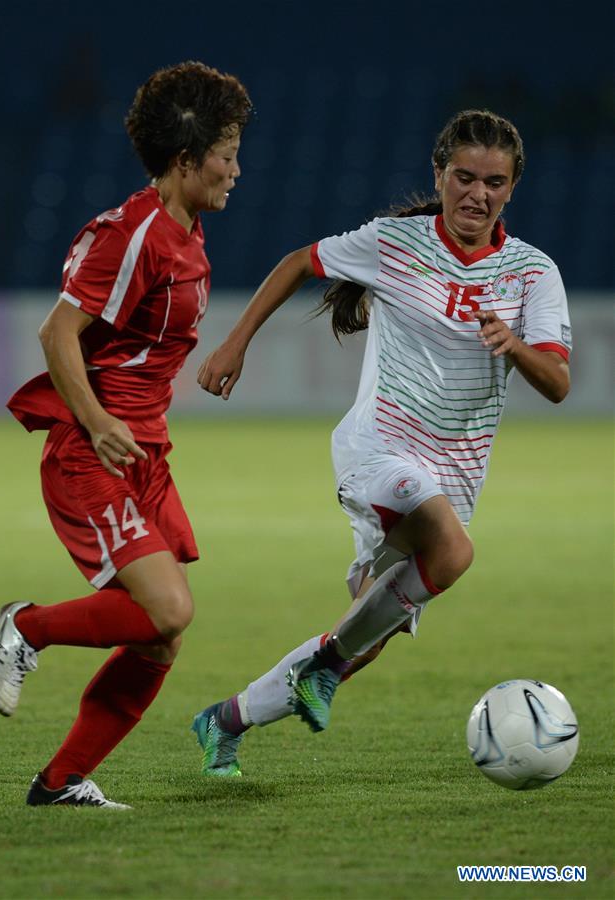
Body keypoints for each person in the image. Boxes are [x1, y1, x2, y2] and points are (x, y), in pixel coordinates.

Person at [191, 109, 572, 777]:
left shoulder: (532, 274)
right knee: (451, 552)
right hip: (379, 451)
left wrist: (514, 346)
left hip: (454, 480)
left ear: (512, 188)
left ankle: (227, 719)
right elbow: (298, 262)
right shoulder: (393, 243)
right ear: (439, 174)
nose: (477, 194)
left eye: (494, 182)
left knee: (364, 634)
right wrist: (233, 343)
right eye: (464, 177)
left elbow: (559, 382)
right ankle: (328, 667)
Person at [0, 61, 253, 807]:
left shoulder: (187, 232)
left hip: (144, 453)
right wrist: (99, 422)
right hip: (90, 450)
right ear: (183, 161)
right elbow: (57, 331)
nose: (236, 169)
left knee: (160, 636)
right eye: (225, 155)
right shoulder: (134, 234)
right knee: (168, 609)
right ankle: (26, 626)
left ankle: (61, 781)